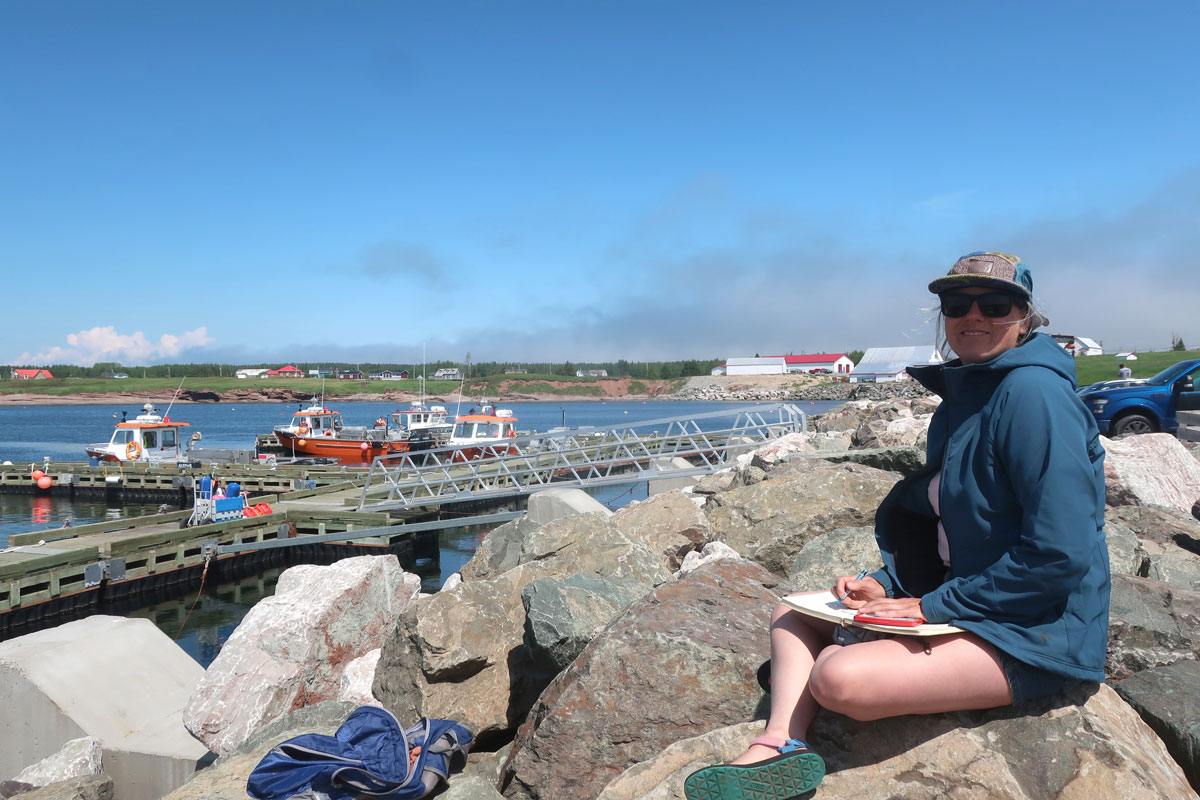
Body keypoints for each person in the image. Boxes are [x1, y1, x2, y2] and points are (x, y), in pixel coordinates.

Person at [683, 252, 1109, 800]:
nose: (973, 314)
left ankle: (817, 694)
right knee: (792, 613)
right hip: (978, 603)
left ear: (1024, 318)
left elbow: (1060, 552)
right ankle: (780, 744)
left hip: (1038, 631)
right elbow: (960, 526)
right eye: (957, 303)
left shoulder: (1034, 396)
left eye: (994, 304)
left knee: (837, 675)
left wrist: (934, 607)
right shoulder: (966, 398)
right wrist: (887, 585)